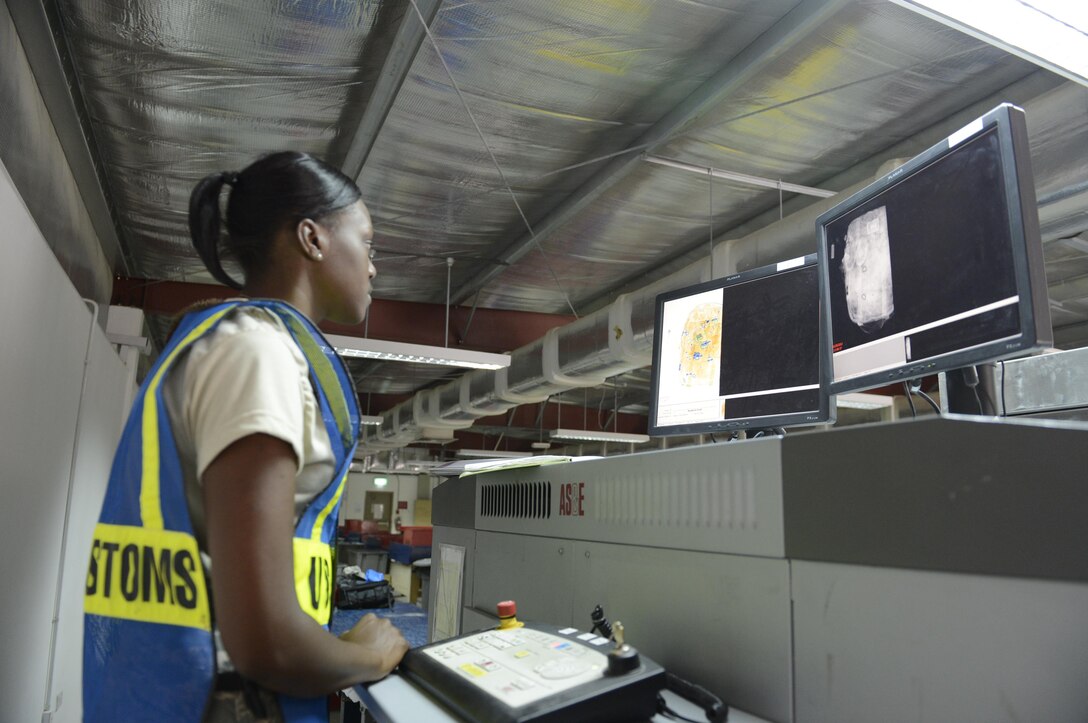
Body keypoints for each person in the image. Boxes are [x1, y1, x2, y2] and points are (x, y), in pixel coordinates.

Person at [83, 152, 408, 722]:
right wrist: (366, 656)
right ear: (312, 238)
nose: (375, 267)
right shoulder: (256, 353)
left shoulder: (226, 343)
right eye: (369, 243)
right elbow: (268, 643)